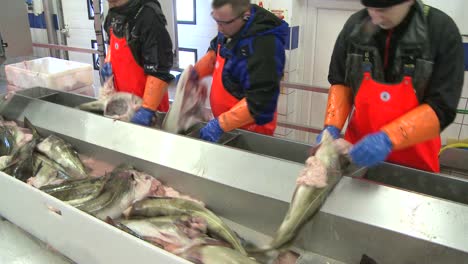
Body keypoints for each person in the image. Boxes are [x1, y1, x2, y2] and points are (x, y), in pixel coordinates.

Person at [317, 0, 464, 172]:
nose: (375, 17)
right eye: (369, 8)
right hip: (358, 153)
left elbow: (442, 108)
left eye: (383, 10)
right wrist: (332, 127)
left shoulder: (441, 31)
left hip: (415, 162)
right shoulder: (355, 26)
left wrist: (387, 139)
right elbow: (341, 81)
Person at [192, 0, 288, 142]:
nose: (219, 28)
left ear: (245, 15)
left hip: (252, 133)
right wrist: (194, 76)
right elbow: (216, 50)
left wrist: (220, 125)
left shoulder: (265, 45)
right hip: (227, 127)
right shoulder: (230, 26)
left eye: (223, 23)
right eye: (216, 20)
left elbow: (260, 102)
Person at [101, 0, 174, 126]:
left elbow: (159, 70)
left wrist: (147, 110)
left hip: (150, 114)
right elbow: (113, 46)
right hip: (124, 110)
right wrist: (108, 63)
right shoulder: (113, 14)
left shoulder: (148, 16)